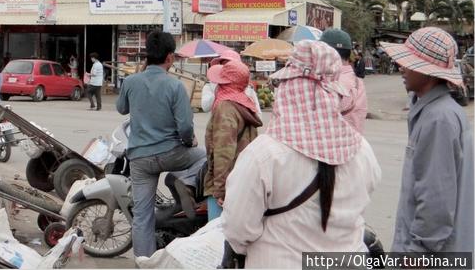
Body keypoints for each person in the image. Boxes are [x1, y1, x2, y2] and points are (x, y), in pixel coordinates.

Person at [222, 40, 381, 268]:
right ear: (334, 93)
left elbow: (238, 229)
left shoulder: (264, 155)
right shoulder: (362, 149)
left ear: (288, 88)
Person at [381, 28, 474, 253]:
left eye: (409, 62)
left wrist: (418, 251)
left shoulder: (438, 119)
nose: (401, 67)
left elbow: (436, 200)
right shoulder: (435, 111)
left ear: (429, 73)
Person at [116, 30, 203, 257]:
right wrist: (189, 141)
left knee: (142, 216)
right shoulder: (175, 86)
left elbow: (121, 108)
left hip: (140, 159)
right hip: (172, 154)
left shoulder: (131, 81)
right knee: (203, 155)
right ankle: (184, 181)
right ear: (170, 58)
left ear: (147, 56)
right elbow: (185, 127)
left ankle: (143, 262)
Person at [203, 59, 262, 221]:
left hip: (228, 183)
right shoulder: (244, 105)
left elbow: (223, 152)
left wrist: (220, 190)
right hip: (242, 178)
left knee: (216, 236)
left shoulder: (226, 108)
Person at [320, 28, 368, 134]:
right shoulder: (357, 82)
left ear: (327, 53)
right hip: (355, 143)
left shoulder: (333, 82)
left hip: (333, 145)